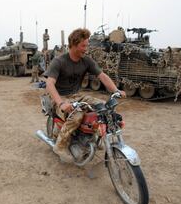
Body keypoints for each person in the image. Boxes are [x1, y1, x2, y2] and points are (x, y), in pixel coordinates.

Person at [44, 28, 126, 163]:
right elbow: (50, 84)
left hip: (77, 96)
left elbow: (102, 76)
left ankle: (94, 137)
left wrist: (116, 90)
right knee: (77, 116)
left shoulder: (86, 61)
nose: (86, 48)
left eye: (87, 45)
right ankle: (60, 145)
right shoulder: (59, 61)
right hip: (59, 98)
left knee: (103, 107)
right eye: (83, 45)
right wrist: (61, 103)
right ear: (74, 45)